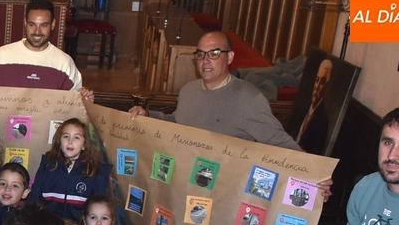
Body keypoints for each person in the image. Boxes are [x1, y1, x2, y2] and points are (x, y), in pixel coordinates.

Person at [128, 31, 301, 150]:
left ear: (230, 57)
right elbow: (178, 124)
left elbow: (282, 144)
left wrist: (316, 175)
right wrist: (148, 116)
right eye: (201, 54)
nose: (205, 60)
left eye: (214, 53)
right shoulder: (189, 90)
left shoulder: (249, 99)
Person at [0, 0, 84, 92]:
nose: (37, 31)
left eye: (44, 25)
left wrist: (85, 99)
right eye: (32, 24)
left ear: (53, 24)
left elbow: (76, 103)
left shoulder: (64, 63)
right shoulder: (2, 56)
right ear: (25, 23)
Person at [32, 118, 113, 223]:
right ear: (59, 142)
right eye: (66, 136)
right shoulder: (47, 167)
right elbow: (35, 201)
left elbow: (99, 211)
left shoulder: (95, 172)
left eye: (76, 137)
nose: (70, 141)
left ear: (84, 145)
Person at [296, 58, 334, 155]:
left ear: (327, 87)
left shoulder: (322, 120)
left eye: (322, 82)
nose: (317, 86)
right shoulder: (304, 112)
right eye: (317, 80)